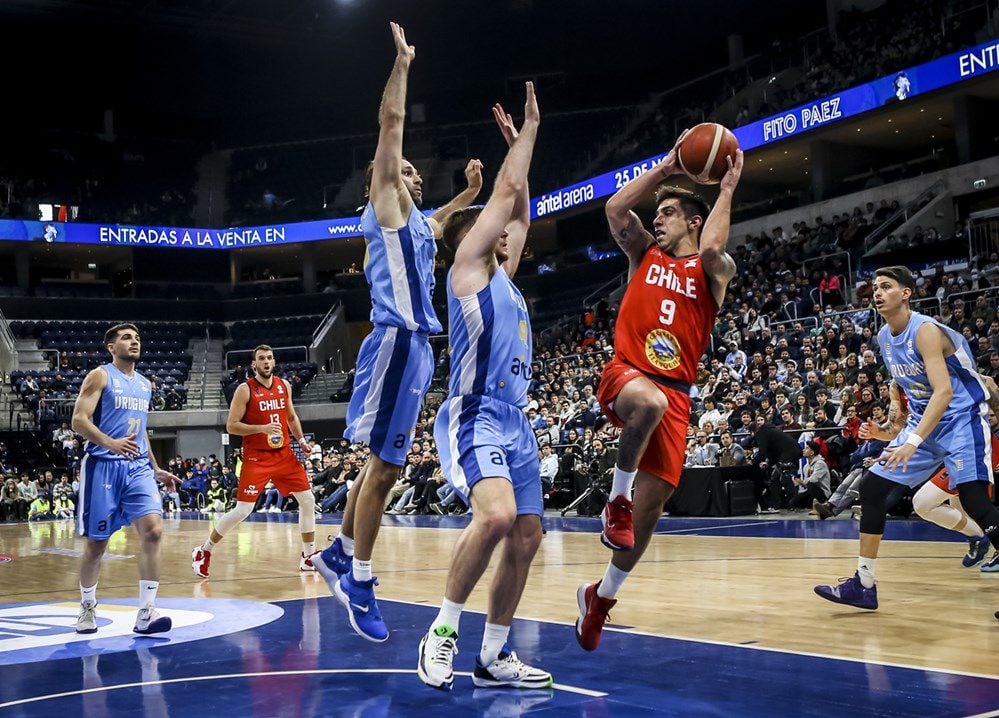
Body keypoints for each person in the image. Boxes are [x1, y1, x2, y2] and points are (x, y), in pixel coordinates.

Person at [312, 23, 484, 642]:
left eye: (414, 172)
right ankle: (357, 577)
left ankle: (338, 550)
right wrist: (403, 63)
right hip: (393, 340)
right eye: (403, 169)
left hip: (416, 349)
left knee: (383, 464)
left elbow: (441, 220)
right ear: (382, 180)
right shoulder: (384, 206)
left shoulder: (418, 224)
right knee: (386, 469)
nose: (412, 174)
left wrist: (467, 192)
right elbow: (389, 123)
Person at [576, 130, 743, 652]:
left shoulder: (713, 270)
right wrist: (666, 167)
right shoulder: (643, 255)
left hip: (677, 395)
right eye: (659, 212)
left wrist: (727, 189)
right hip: (628, 374)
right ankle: (615, 500)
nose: (658, 218)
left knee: (647, 520)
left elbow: (715, 246)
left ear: (693, 220)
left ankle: (600, 598)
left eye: (669, 212)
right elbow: (615, 208)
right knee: (646, 403)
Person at [417, 84, 551, 690]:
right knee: (495, 518)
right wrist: (525, 134)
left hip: (517, 419)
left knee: (526, 536)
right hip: (475, 413)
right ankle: (442, 632)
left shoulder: (508, 276)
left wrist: (520, 155)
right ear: (469, 237)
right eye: (488, 227)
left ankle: (494, 655)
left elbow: (519, 211)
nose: (503, 232)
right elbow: (501, 199)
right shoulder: (467, 268)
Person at [815, 267, 998, 616]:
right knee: (870, 489)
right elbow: (914, 400)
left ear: (906, 293)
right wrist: (888, 433)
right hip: (923, 426)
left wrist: (911, 441)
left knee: (975, 502)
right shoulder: (884, 338)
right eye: (874, 288)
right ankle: (864, 585)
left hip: (961, 421)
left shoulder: (926, 331)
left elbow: (943, 392)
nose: (878, 293)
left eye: (886, 287)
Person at [71, 323, 180, 635]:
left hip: (137, 468)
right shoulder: (101, 375)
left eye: (137, 338)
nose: (134, 342)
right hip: (103, 465)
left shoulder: (145, 384)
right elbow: (78, 420)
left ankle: (146, 611)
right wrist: (110, 442)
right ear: (111, 347)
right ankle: (87, 606)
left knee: (154, 532)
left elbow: (139, 429)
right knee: (96, 544)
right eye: (126, 338)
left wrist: (155, 467)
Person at [192, 345, 316, 578]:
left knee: (307, 500)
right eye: (261, 358)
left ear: (274, 361)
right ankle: (203, 550)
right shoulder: (244, 389)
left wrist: (300, 440)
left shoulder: (284, 385)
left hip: (284, 454)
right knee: (243, 510)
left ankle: (308, 557)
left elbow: (290, 416)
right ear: (254, 364)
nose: (266, 362)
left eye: (269, 358)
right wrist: (262, 428)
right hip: (257, 456)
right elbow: (232, 426)